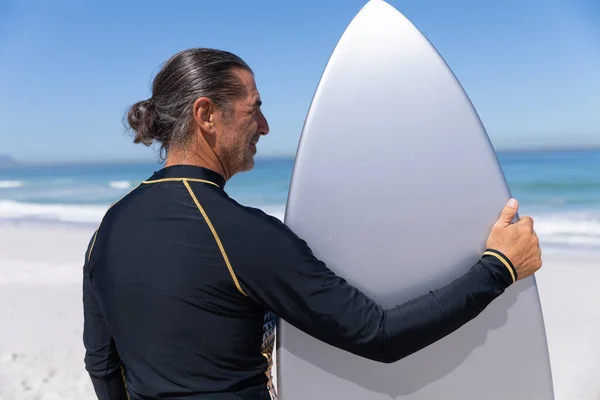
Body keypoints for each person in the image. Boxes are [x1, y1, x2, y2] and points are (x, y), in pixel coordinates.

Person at [82, 48, 542, 400]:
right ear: (206, 115)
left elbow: (102, 363)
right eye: (254, 108)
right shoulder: (238, 233)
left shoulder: (109, 227)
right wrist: (498, 267)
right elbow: (379, 335)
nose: (263, 126)